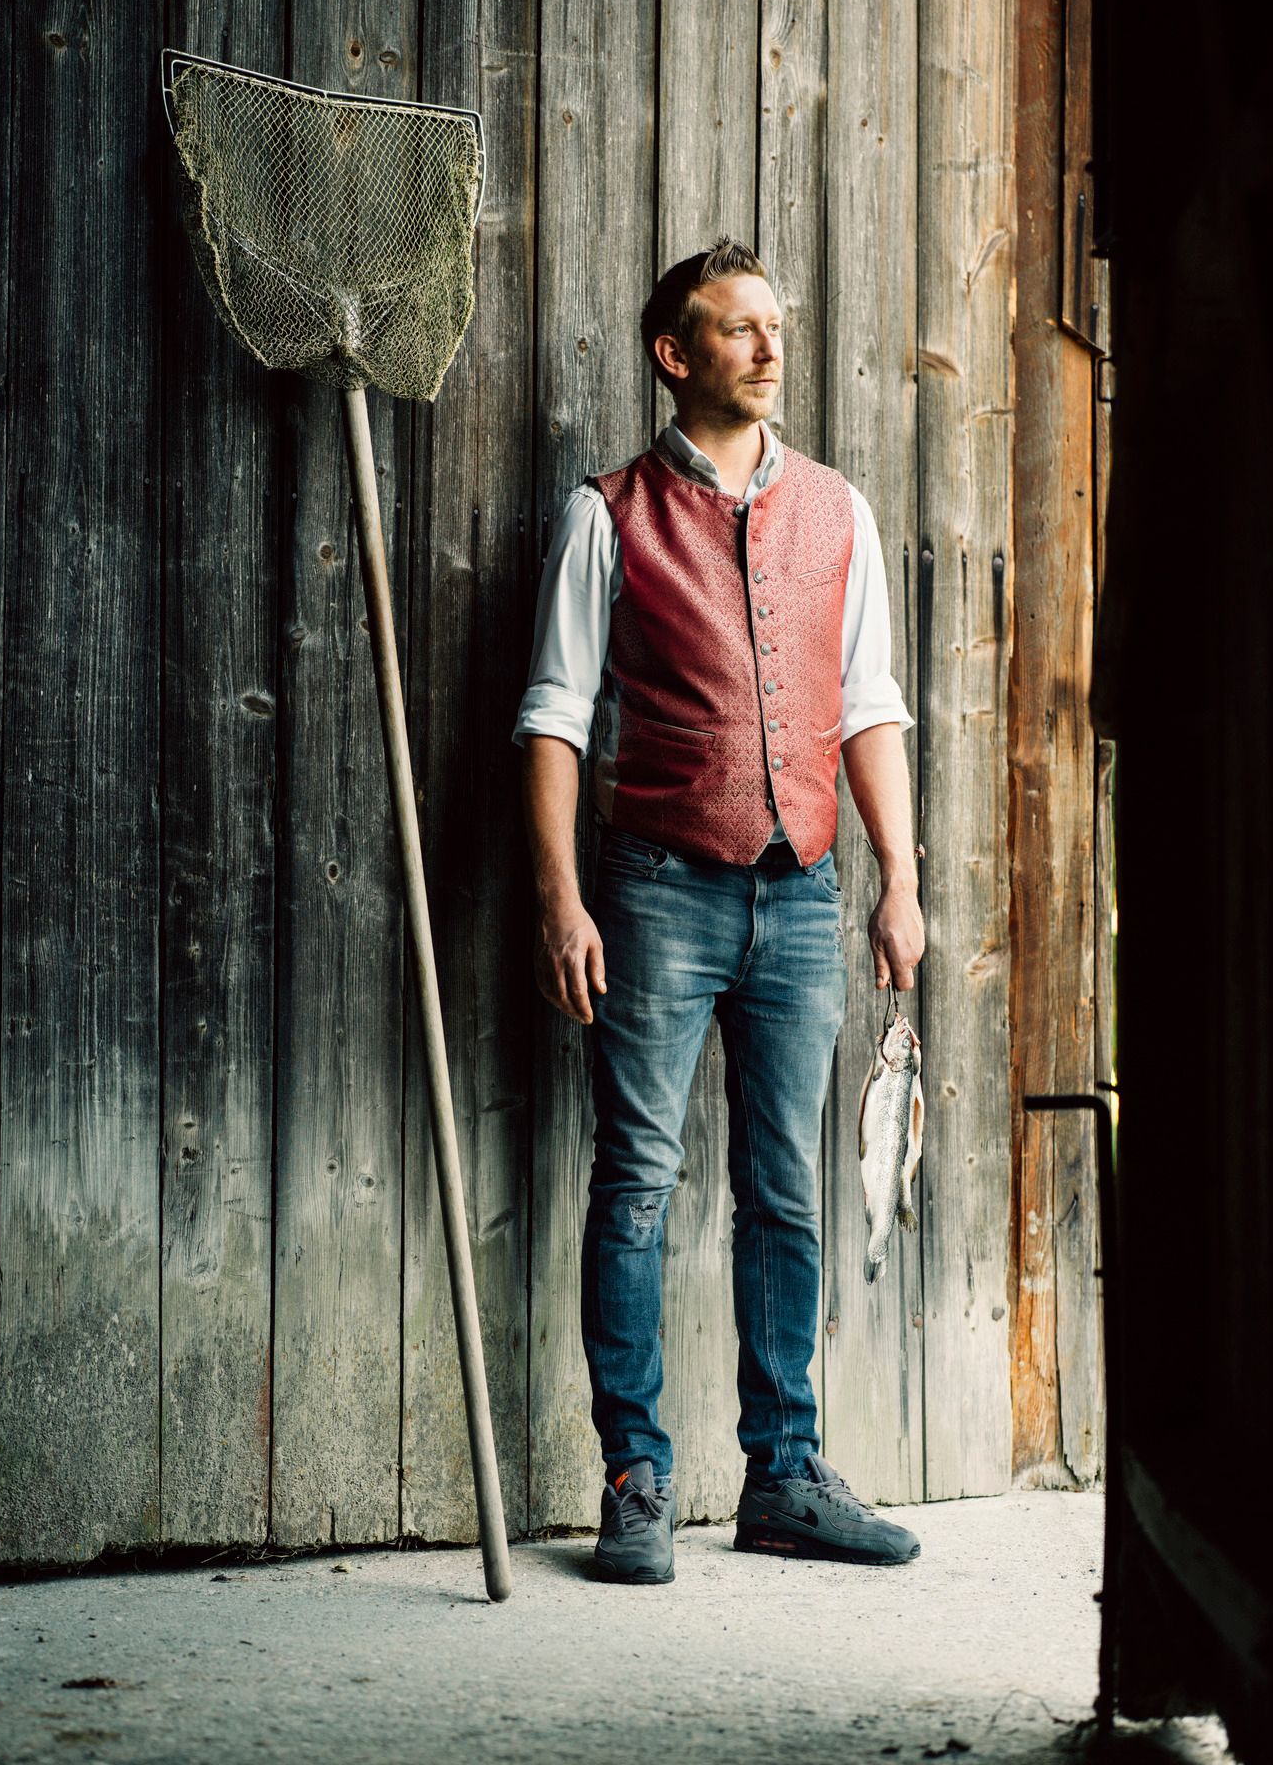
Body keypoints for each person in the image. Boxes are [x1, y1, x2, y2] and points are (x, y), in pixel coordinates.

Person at [513, 237, 928, 1586]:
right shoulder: (607, 513)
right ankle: (636, 1475)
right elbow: (556, 717)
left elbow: (869, 706)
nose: (769, 346)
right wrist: (561, 897)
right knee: (634, 1184)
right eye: (737, 328)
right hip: (653, 892)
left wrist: (898, 880)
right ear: (673, 354)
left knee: (783, 1196)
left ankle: (786, 1472)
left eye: (776, 324)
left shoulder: (838, 512)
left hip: (803, 892)